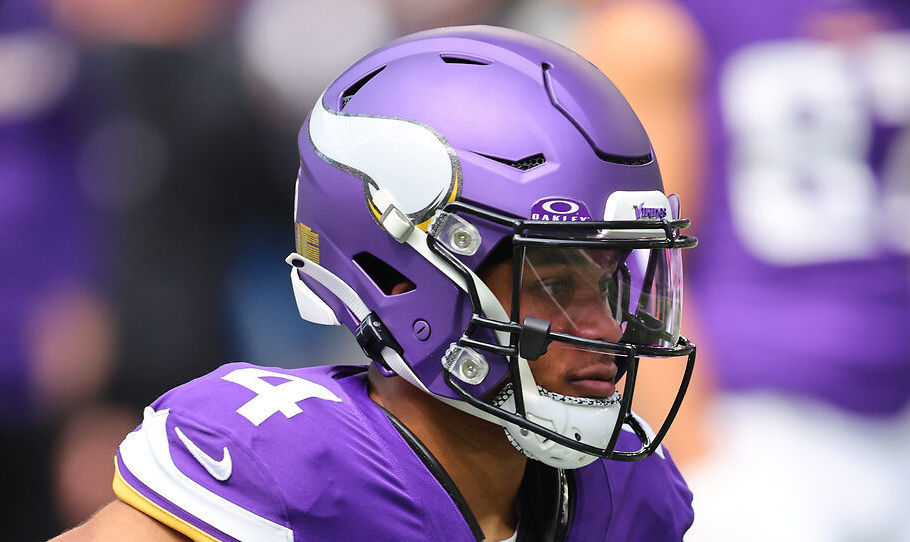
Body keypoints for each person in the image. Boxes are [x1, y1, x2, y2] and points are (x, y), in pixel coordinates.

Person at [52, 26, 698, 541]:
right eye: (557, 283)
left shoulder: (623, 487)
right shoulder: (297, 466)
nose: (608, 329)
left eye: (611, 280)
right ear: (406, 276)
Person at [573, 1, 910, 540]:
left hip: (905, 401)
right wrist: (703, 466)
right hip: (756, 417)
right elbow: (634, 259)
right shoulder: (659, 22)